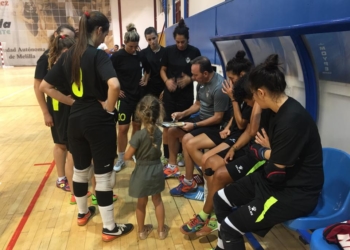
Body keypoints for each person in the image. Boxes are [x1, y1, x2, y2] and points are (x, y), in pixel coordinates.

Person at [212, 54, 324, 250]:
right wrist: (266, 152)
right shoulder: (271, 112)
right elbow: (256, 147)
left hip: (295, 193)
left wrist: (264, 152)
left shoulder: (292, 120)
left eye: (253, 95)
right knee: (219, 199)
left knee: (231, 227)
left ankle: (227, 241)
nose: (252, 100)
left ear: (261, 93)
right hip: (274, 181)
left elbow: (275, 171)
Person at [39, 11, 134, 242]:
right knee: (102, 176)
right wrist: (110, 110)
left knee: (80, 171)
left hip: (75, 120)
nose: (106, 37)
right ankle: (109, 227)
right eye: (106, 32)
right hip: (97, 122)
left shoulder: (68, 54)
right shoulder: (98, 55)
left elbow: (45, 86)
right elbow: (114, 85)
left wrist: (73, 102)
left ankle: (82, 213)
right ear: (99, 30)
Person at [175, 51, 253, 196]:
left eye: (231, 78)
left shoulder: (227, 89)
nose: (193, 78)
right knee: (179, 135)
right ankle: (193, 178)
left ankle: (207, 181)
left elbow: (241, 124)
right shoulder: (235, 90)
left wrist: (233, 100)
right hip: (228, 129)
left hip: (222, 128)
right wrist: (183, 114)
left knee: (199, 152)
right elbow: (235, 118)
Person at [164, 56, 230, 190]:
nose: (192, 77)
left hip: (215, 125)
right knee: (172, 131)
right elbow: (198, 104)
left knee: (187, 139)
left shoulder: (219, 87)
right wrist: (183, 113)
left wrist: (194, 125)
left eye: (195, 74)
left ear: (205, 73)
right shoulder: (200, 82)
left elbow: (218, 117)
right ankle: (173, 167)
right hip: (201, 119)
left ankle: (190, 181)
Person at [34, 24, 75, 193]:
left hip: (70, 105)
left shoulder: (70, 57)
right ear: (57, 35)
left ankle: (73, 177)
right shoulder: (46, 58)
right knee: (61, 144)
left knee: (72, 143)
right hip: (57, 107)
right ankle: (61, 178)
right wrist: (45, 113)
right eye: (64, 36)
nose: (66, 39)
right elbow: (38, 87)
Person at [124, 95, 170, 240]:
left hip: (142, 172)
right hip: (156, 169)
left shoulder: (138, 136)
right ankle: (161, 231)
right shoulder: (158, 133)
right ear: (158, 113)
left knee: (141, 203)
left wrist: (134, 159)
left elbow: (126, 156)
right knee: (158, 201)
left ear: (139, 113)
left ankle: (142, 232)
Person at [160, 18, 201, 168]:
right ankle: (167, 157)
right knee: (167, 126)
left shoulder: (194, 51)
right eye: (177, 42)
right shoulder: (168, 51)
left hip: (185, 96)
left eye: (183, 42)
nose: (180, 45)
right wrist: (166, 81)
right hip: (170, 96)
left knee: (183, 126)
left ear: (187, 39)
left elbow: (200, 71)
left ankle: (183, 154)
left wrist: (190, 79)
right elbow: (162, 70)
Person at [111, 23, 148, 172]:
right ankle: (121, 158)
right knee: (123, 128)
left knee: (137, 126)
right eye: (131, 46)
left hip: (139, 97)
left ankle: (133, 153)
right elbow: (108, 74)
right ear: (125, 43)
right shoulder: (117, 56)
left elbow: (149, 68)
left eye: (136, 46)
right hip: (124, 97)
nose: (133, 49)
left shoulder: (140, 55)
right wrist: (116, 89)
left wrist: (146, 77)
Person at [141, 27, 165, 98]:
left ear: (157, 36)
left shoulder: (165, 52)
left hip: (162, 86)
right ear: (146, 40)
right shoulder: (143, 53)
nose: (152, 41)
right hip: (149, 88)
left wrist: (165, 90)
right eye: (149, 39)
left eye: (154, 38)